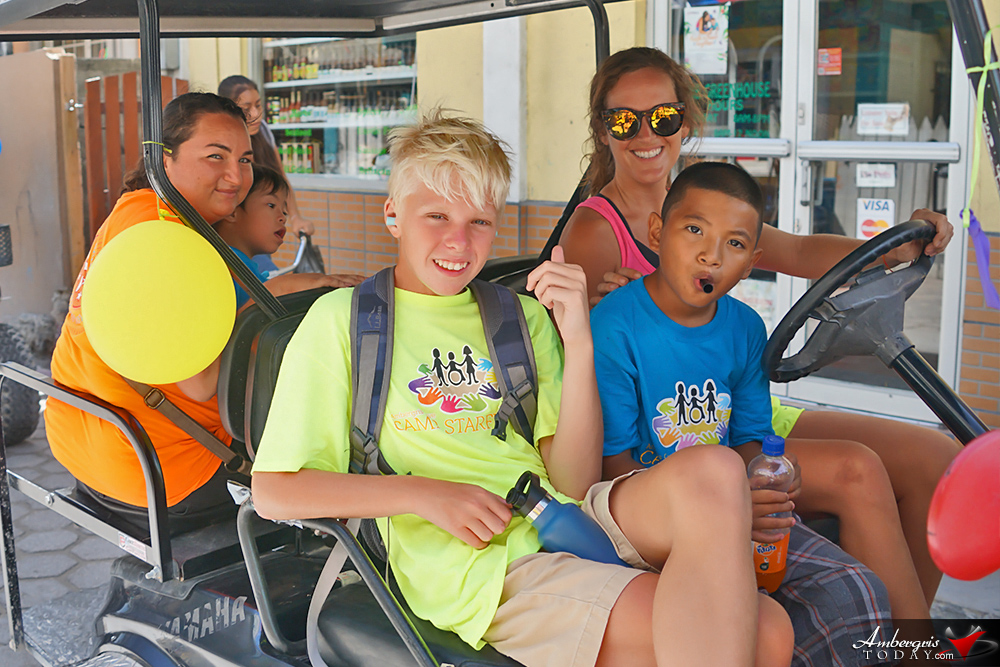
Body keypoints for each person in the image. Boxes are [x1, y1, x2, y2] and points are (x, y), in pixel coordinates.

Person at [250, 110, 794, 667]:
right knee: (766, 635)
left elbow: (574, 480)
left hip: (556, 515)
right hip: (475, 563)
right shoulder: (345, 321)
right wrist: (422, 493)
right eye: (436, 215)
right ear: (393, 214)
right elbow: (273, 490)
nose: (458, 243)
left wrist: (578, 339)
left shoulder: (520, 319)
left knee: (721, 470)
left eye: (479, 222)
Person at [559, 46, 961, 609]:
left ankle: (900, 625)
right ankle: (898, 637)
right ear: (603, 130)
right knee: (855, 472)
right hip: (670, 431)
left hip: (732, 405)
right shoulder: (595, 232)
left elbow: (797, 250)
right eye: (623, 119)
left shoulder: (713, 206)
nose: (645, 133)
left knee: (935, 460)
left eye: (664, 117)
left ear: (685, 122)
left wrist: (894, 248)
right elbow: (599, 371)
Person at [591, 162, 921, 667]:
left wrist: (766, 483)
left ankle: (924, 652)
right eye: (694, 230)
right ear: (657, 232)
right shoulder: (616, 325)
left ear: (753, 263)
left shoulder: (745, 328)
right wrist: (731, 506)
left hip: (732, 504)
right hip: (655, 517)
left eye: (735, 245)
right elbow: (614, 467)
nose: (711, 255)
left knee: (855, 590)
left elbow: (748, 436)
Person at [213, 163, 363, 309]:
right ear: (232, 210)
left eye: (284, 210)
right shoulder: (222, 268)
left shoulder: (244, 267)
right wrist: (281, 286)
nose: (283, 217)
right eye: (271, 205)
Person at [218, 74, 312, 274]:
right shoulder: (222, 138)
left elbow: (281, 177)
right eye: (246, 108)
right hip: (233, 240)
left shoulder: (264, 132)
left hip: (256, 238)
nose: (255, 114)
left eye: (259, 105)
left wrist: (295, 217)